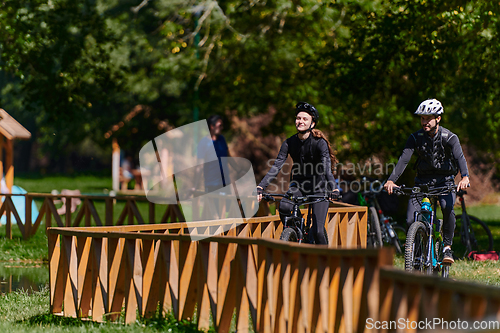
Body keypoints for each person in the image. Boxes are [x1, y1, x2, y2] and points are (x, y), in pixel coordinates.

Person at [384, 99, 470, 264]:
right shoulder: (415, 138)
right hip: (422, 181)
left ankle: (447, 248)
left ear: (438, 118)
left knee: (447, 208)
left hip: (445, 181)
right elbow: (403, 160)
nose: (424, 122)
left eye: (428, 118)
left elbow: (460, 158)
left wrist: (464, 176)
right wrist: (391, 180)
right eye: (422, 118)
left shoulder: (450, 137)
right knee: (410, 220)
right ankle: (417, 253)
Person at [256, 102, 339, 245]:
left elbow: (326, 168)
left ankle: (326, 263)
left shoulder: (319, 143)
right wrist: (260, 187)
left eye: (305, 119)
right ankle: (294, 232)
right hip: (299, 185)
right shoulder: (289, 143)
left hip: (319, 187)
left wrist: (334, 188)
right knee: (284, 206)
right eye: (298, 118)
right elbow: (276, 166)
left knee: (318, 231)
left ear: (312, 124)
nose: (300, 121)